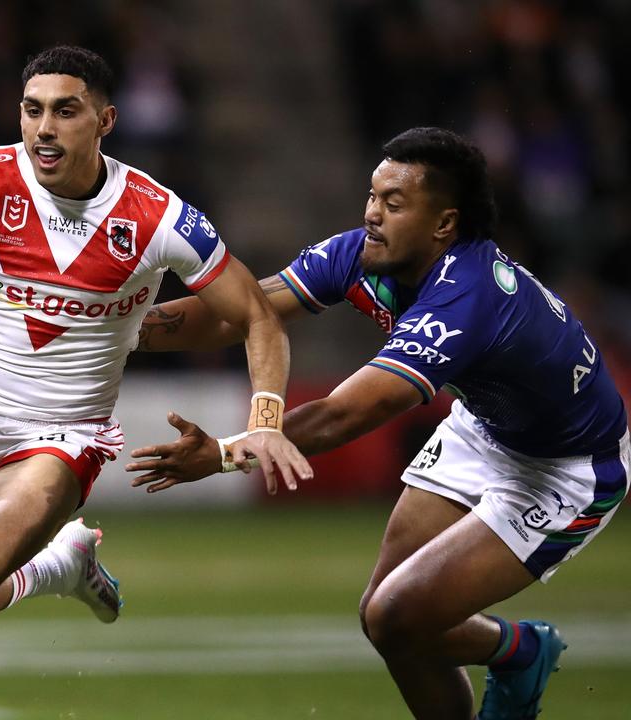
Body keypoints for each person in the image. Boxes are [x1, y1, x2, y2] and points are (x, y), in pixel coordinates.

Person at [0, 45, 311, 720]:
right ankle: (56, 569)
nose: (44, 128)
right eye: (32, 110)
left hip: (62, 436)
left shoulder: (157, 216)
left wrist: (265, 417)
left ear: (105, 120)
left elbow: (258, 318)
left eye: (65, 111)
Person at [129, 127, 629, 719]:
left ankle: (518, 651)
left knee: (397, 617)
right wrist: (106, 326)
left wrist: (220, 456)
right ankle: (514, 656)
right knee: (384, 621)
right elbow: (238, 315)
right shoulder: (358, 255)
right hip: (486, 428)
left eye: (393, 204)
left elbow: (348, 412)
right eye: (372, 196)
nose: (372, 214)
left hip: (569, 470)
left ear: (443, 224)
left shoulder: (466, 297)